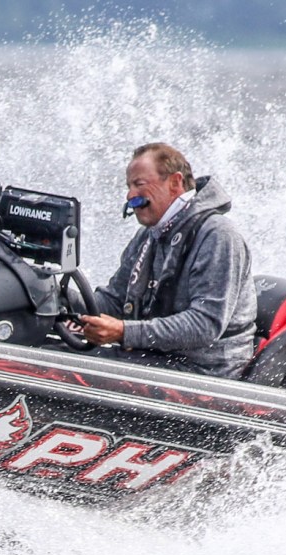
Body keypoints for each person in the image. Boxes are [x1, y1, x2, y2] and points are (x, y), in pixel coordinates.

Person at [78, 142, 257, 378]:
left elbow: (205, 324)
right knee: (57, 349)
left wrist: (124, 332)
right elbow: (115, 301)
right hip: (156, 357)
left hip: (205, 371)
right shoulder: (148, 236)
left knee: (72, 367)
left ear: (174, 182)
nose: (130, 195)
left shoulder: (218, 235)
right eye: (129, 186)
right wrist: (56, 298)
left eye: (139, 184)